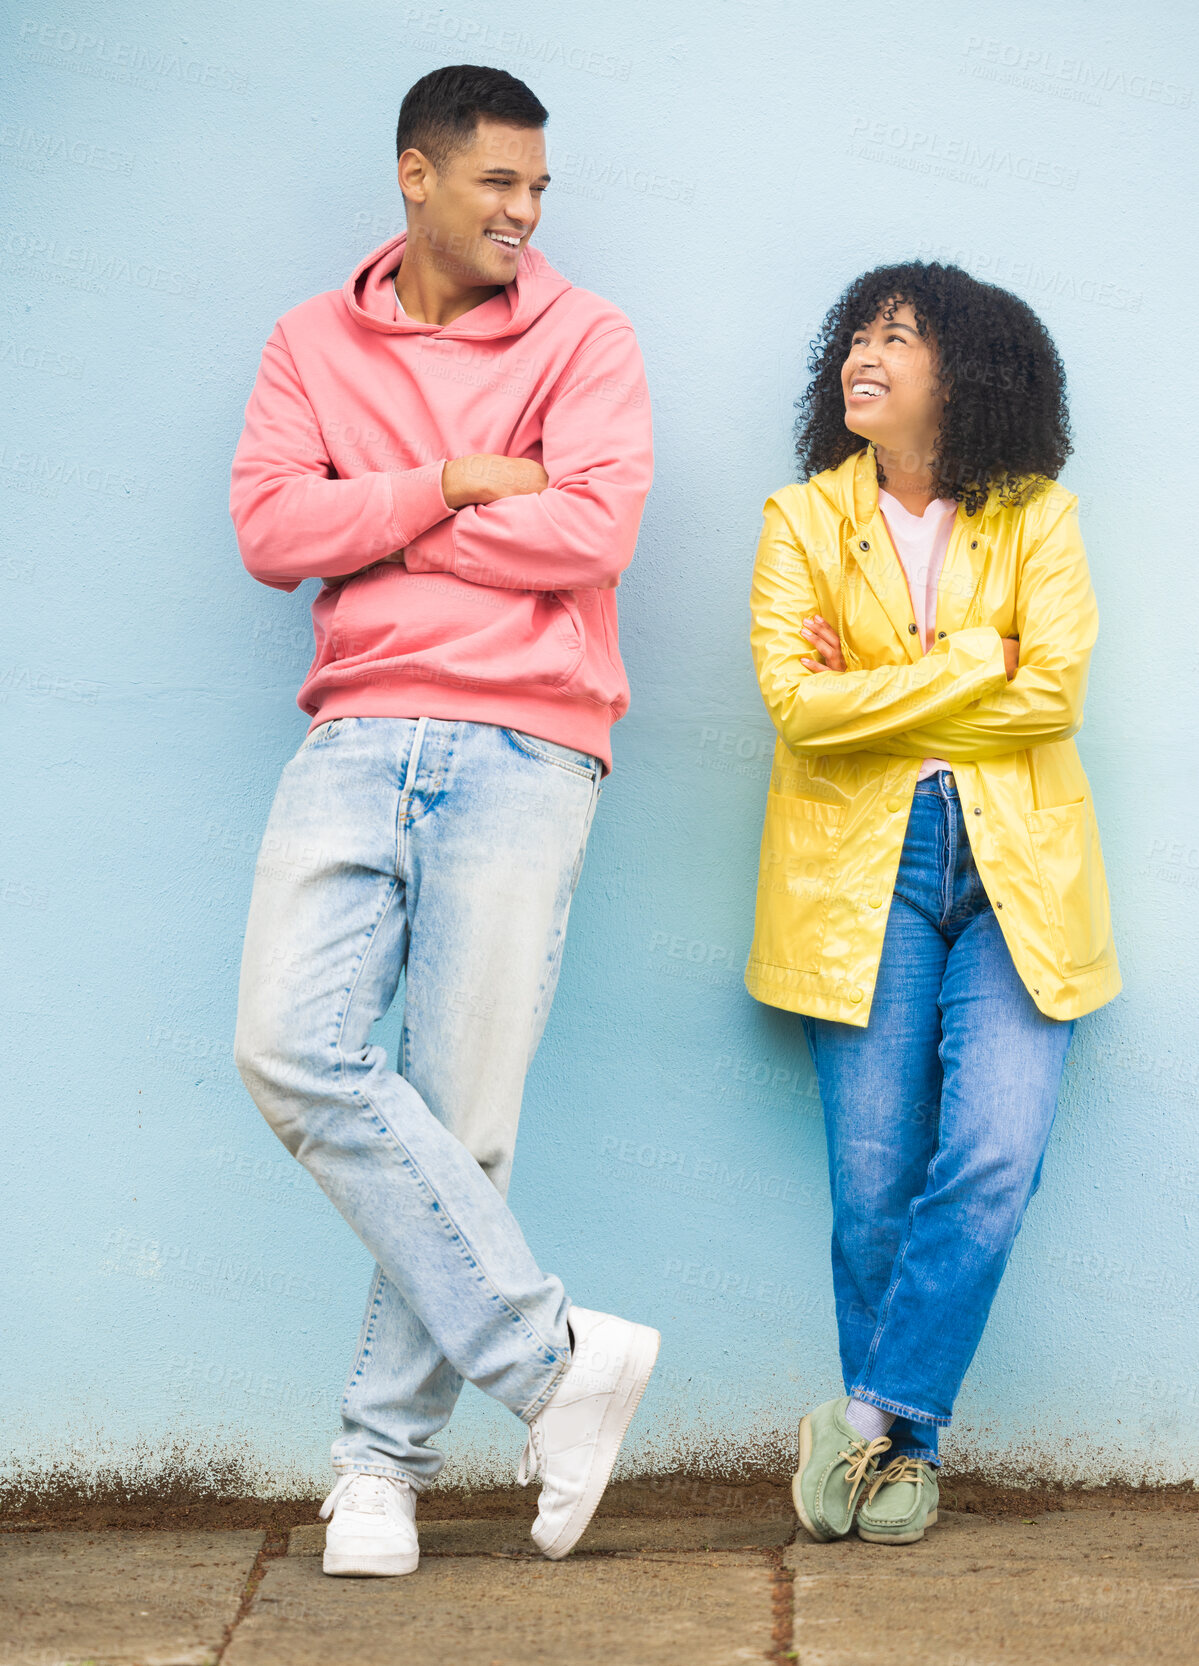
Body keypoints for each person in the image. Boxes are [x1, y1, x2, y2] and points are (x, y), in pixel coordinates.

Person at [229, 64, 658, 1578]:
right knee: (290, 1048)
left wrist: (390, 515)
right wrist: (460, 481)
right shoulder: (307, 341)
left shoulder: (583, 337)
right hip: (352, 736)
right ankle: (553, 1361)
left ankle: (379, 1472)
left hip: (527, 744)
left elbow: (592, 529)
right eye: (498, 187)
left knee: (456, 1117)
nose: (526, 216)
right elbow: (271, 527)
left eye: (540, 190)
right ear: (416, 176)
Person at [745, 262, 1120, 1546]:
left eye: (898, 337)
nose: (865, 352)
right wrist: (974, 659)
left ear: (967, 372)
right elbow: (798, 708)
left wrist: (885, 686)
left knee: (993, 1156)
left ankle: (864, 1417)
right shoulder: (799, 519)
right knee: (871, 1184)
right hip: (862, 872)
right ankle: (899, 1467)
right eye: (855, 334)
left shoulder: (1038, 519)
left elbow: (1054, 692)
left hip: (1015, 870)